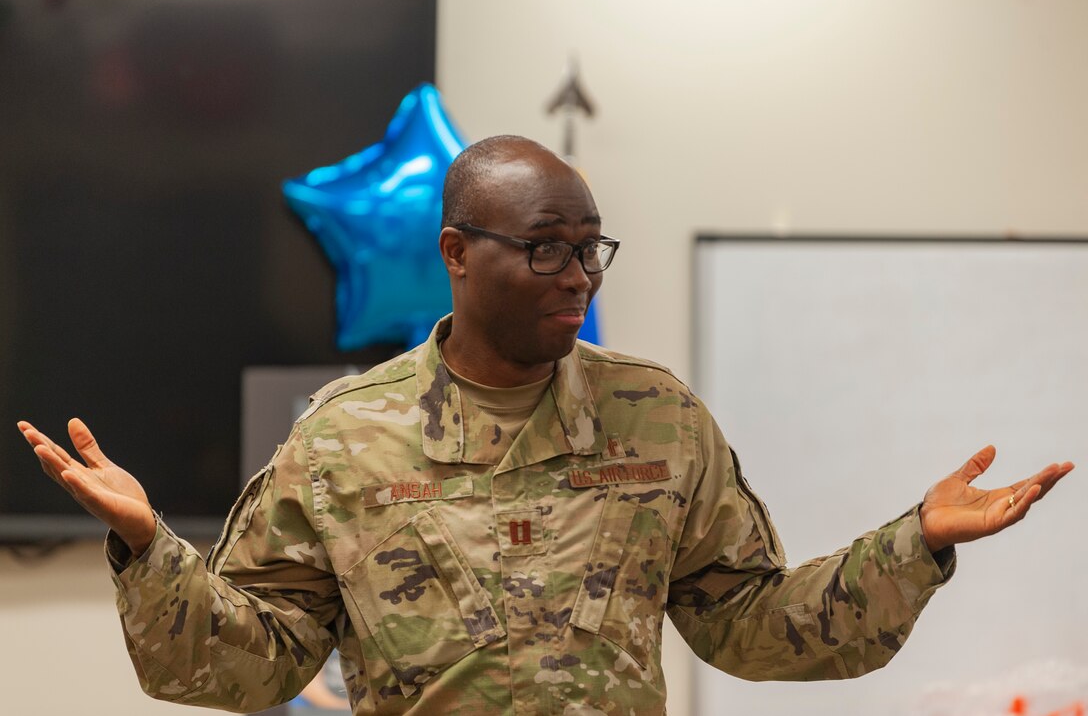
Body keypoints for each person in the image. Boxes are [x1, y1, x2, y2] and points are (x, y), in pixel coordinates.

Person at [18, 135, 1073, 716]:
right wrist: (152, 549)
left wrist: (914, 542)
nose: (576, 277)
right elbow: (257, 664)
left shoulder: (655, 417)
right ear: (457, 251)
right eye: (545, 248)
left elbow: (749, 624)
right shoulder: (344, 437)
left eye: (590, 249)